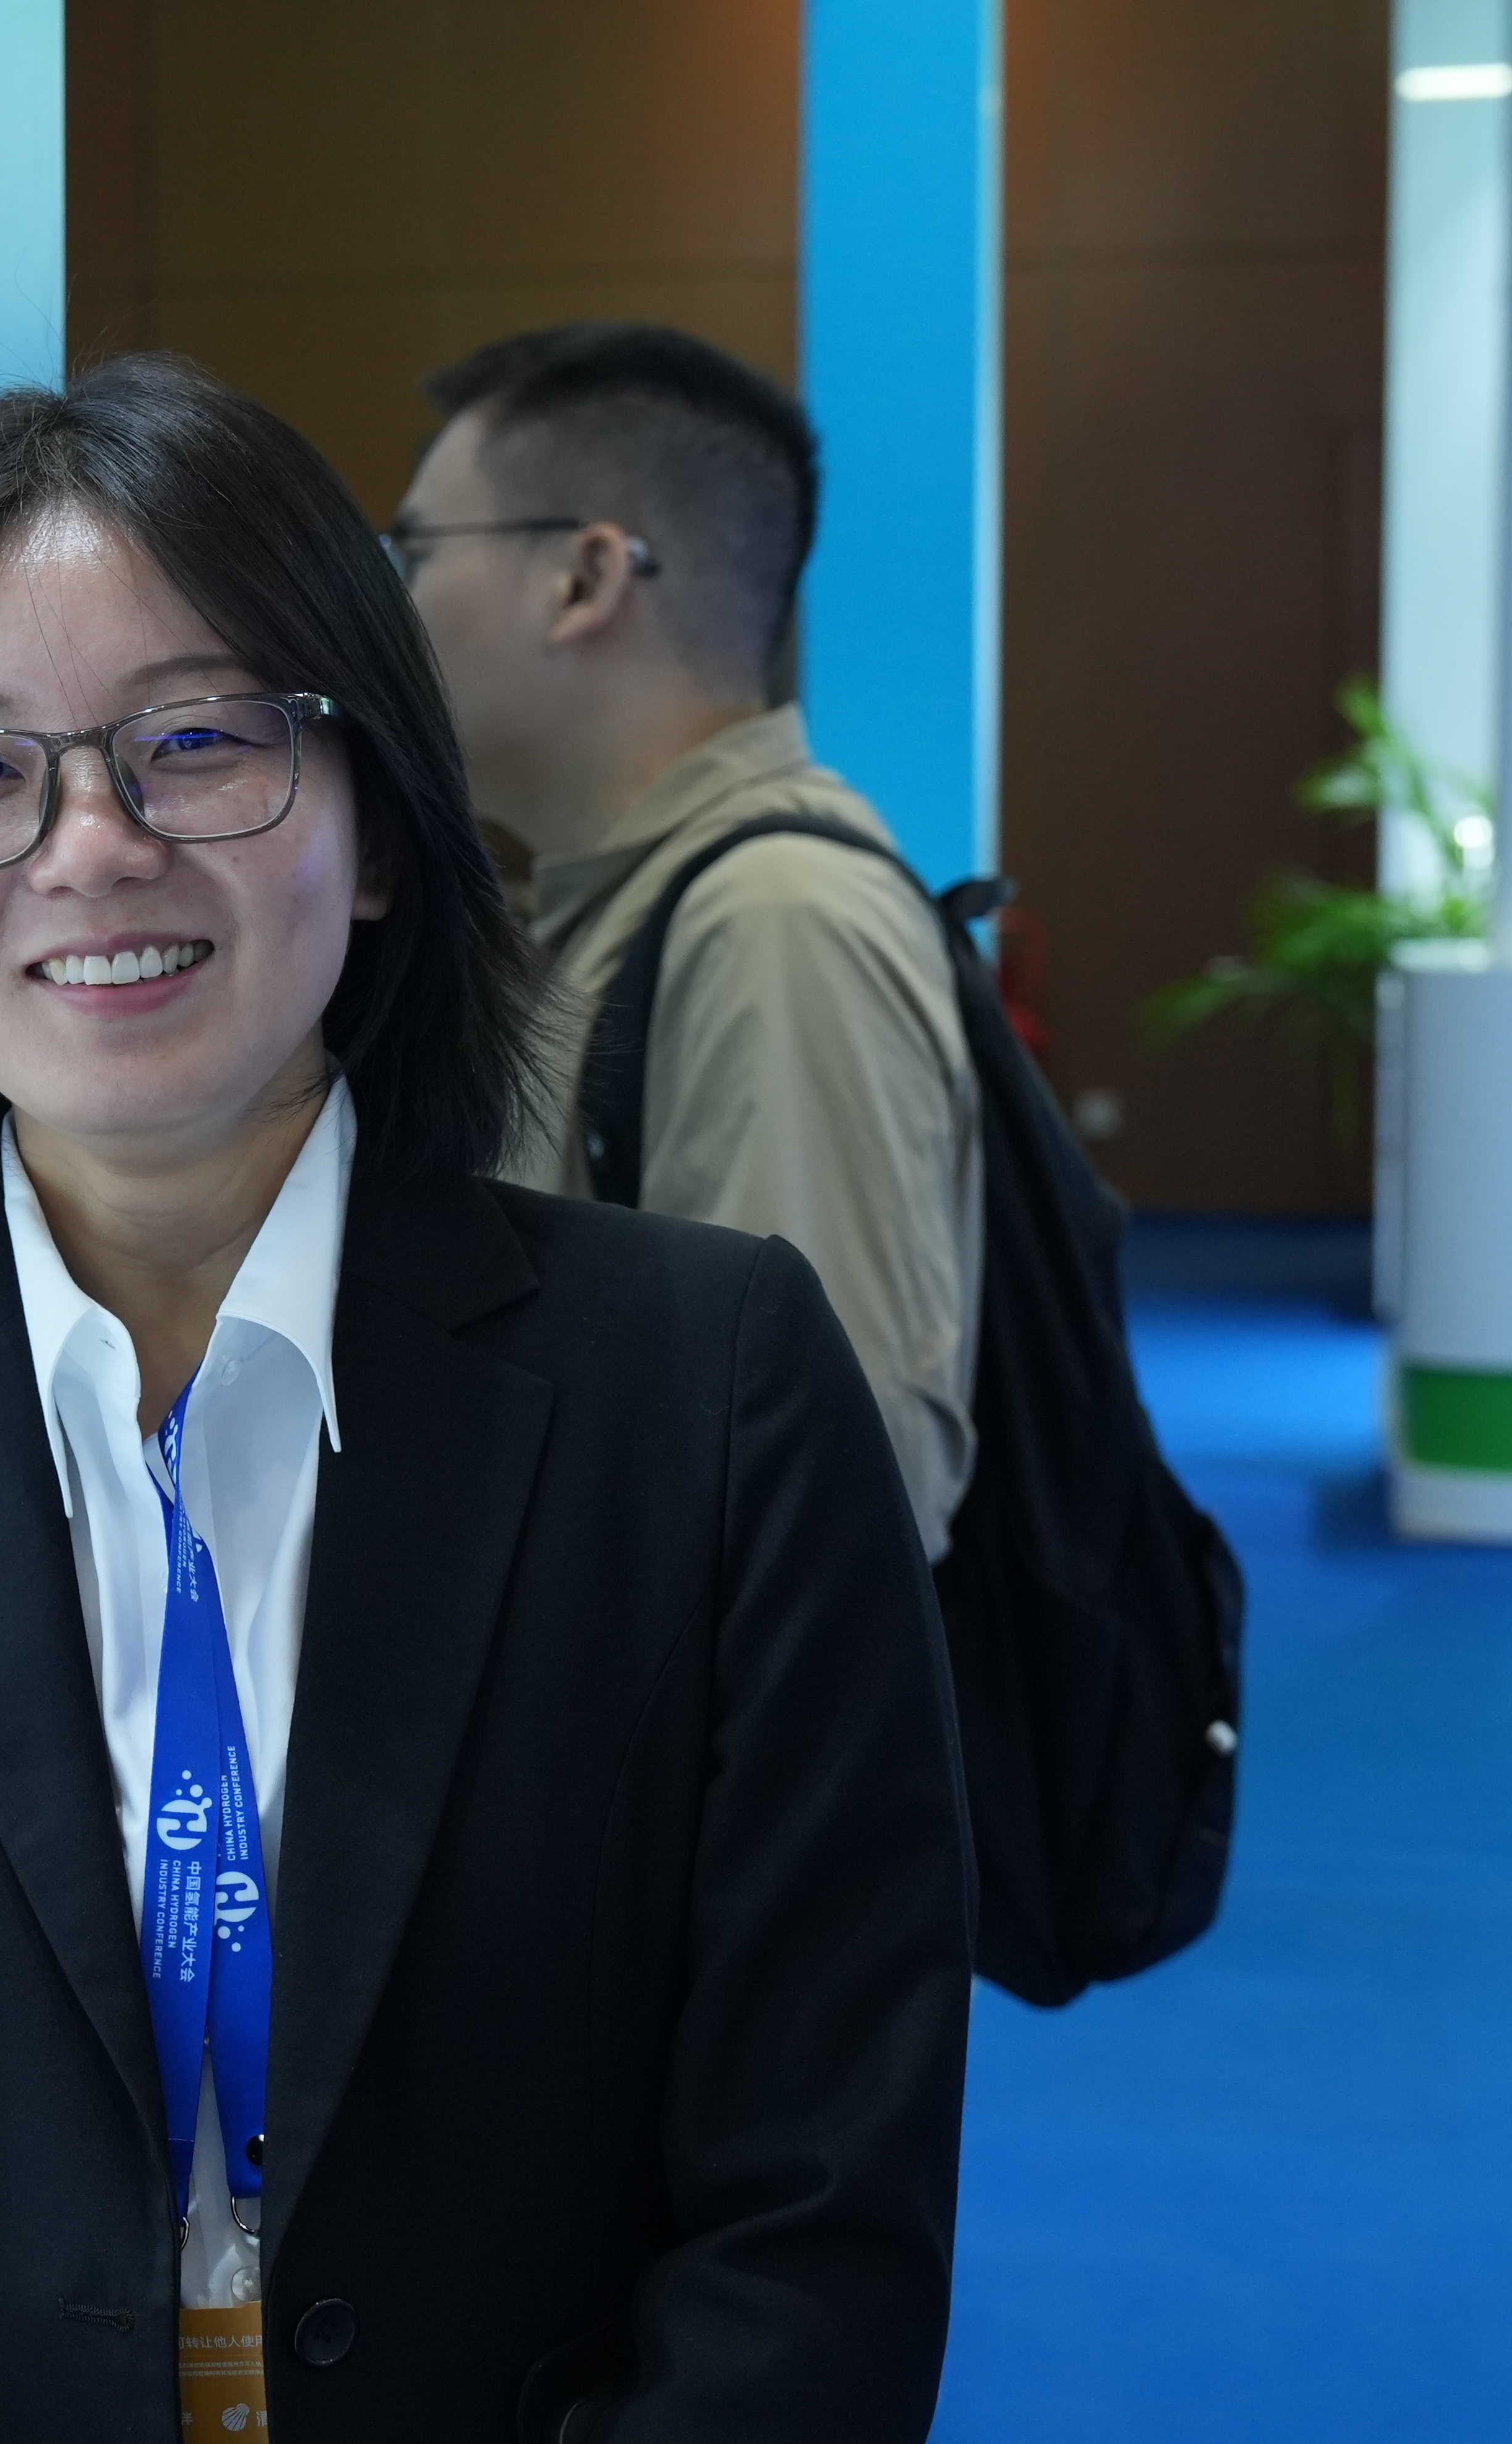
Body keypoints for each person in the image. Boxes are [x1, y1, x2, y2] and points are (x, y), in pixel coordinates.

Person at [0, 354, 972, 2444]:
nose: (89, 844)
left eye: (194, 740)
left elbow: (817, 2212)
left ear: (376, 819)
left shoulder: (712, 1398)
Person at [391, 322, 985, 1559]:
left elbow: (832, 1493)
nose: (392, 604)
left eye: (420, 550)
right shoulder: (628, 903)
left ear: (583, 579)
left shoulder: (774, 918)